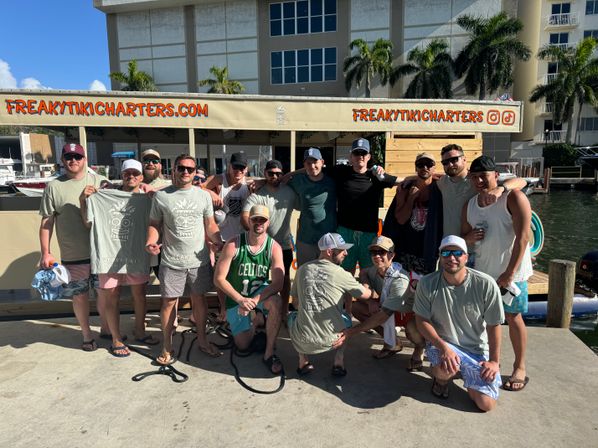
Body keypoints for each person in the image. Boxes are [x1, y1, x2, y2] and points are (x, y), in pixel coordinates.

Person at [462, 155, 533, 392]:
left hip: (513, 275)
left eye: (484, 175)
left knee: (513, 318)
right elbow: (464, 240)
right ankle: (492, 361)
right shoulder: (470, 205)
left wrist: (510, 273)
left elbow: (524, 238)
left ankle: (520, 367)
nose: (479, 180)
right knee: (483, 320)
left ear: (496, 175)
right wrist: (468, 239)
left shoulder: (513, 197)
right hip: (483, 274)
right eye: (475, 177)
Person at [146, 154, 223, 365]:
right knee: (169, 303)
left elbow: (210, 225)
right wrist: (151, 241)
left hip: (199, 261)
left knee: (200, 300)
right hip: (171, 261)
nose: (186, 172)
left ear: (195, 171)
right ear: (174, 170)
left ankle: (203, 341)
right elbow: (154, 224)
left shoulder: (203, 196)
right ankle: (167, 346)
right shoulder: (162, 197)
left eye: (190, 169)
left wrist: (220, 241)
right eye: (181, 168)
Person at [414, 235, 504, 412]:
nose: (451, 258)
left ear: (466, 256)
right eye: (446, 253)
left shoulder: (486, 284)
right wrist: (444, 348)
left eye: (457, 253)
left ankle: (470, 378)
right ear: (439, 256)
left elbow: (494, 325)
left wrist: (494, 361)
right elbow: (421, 319)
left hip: (476, 349)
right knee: (444, 369)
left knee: (486, 405)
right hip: (444, 344)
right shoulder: (427, 283)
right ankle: (441, 380)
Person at [82, 159, 158, 358]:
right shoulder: (103, 196)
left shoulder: (148, 197)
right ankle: (116, 338)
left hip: (136, 254)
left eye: (135, 173)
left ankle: (140, 331)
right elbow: (88, 222)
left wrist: (153, 195)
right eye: (127, 173)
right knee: (111, 296)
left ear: (141, 177)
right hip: (109, 254)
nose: (131, 176)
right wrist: (84, 200)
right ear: (122, 176)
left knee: (140, 295)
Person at [39, 143, 109, 352]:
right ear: (62, 160)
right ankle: (87, 335)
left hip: (101, 252)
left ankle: (106, 328)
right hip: (73, 254)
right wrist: (46, 252)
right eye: (68, 156)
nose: (73, 160)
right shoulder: (53, 187)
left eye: (77, 157)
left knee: (104, 294)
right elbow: (46, 222)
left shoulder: (99, 181)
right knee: (79, 296)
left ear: (84, 159)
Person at [214, 205, 285, 374]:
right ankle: (257, 320)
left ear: (268, 223)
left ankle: (269, 354)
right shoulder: (234, 244)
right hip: (237, 298)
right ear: (249, 221)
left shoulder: (274, 247)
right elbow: (218, 278)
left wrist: (255, 300)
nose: (259, 223)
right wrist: (240, 300)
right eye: (255, 219)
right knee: (243, 346)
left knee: (276, 301)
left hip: (257, 296)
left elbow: (278, 283)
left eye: (263, 220)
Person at [289, 233, 372, 376]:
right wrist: (365, 280)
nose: (346, 253)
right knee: (347, 317)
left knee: (292, 316)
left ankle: (303, 361)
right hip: (333, 340)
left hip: (303, 340)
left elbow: (295, 302)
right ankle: (338, 361)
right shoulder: (340, 273)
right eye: (341, 250)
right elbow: (366, 295)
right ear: (329, 251)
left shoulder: (302, 269)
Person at [345, 236, 425, 369]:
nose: (377, 256)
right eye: (373, 252)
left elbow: (383, 315)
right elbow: (364, 272)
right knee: (357, 308)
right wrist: (370, 299)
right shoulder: (374, 270)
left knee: (411, 330)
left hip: (410, 314)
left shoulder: (400, 279)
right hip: (390, 310)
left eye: (381, 252)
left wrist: (351, 332)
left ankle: (419, 348)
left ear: (392, 255)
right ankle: (393, 343)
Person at [328, 138, 400, 273]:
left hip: (368, 233)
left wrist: (431, 177)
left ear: (368, 157)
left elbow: (402, 181)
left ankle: (367, 294)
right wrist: (288, 175)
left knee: (368, 273)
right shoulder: (341, 172)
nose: (360, 156)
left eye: (363, 153)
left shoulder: (377, 176)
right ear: (351, 156)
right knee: (345, 273)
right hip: (345, 232)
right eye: (356, 153)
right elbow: (314, 168)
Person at [241, 160, 297, 311]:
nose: (274, 176)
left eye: (278, 173)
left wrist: (291, 174)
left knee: (284, 281)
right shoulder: (257, 194)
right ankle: (258, 312)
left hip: (283, 245)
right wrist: (257, 234)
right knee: (258, 279)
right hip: (261, 245)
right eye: (271, 173)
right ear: (265, 173)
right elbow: (245, 217)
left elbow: (309, 173)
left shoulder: (290, 192)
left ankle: (284, 311)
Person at [438, 143, 525, 237]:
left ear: (464, 159)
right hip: (450, 244)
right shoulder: (442, 182)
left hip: (475, 245)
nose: (450, 164)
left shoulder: (480, 179)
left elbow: (521, 181)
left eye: (454, 160)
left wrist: (500, 188)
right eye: (445, 162)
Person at [383, 152, 443, 274]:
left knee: (423, 288)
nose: (425, 167)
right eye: (420, 164)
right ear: (416, 167)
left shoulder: (440, 187)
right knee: (403, 286)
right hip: (406, 249)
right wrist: (411, 199)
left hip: (427, 250)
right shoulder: (405, 189)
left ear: (434, 167)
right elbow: (400, 219)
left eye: (429, 164)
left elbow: (455, 177)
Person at [286, 148, 337, 266]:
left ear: (322, 162)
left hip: (328, 240)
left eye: (315, 162)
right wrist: (260, 182)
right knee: (305, 275)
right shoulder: (298, 181)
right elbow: (278, 182)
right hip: (305, 239)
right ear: (304, 165)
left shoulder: (333, 181)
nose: (312, 166)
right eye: (308, 163)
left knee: (327, 277)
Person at [204, 152, 251, 242]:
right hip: (220, 237)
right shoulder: (219, 179)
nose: (238, 171)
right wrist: (210, 192)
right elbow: (197, 188)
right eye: (235, 167)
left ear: (246, 169)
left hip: (241, 238)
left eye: (242, 168)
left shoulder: (248, 183)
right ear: (229, 166)